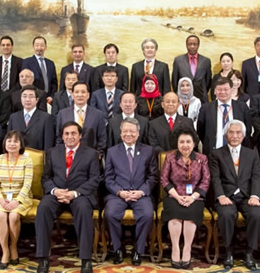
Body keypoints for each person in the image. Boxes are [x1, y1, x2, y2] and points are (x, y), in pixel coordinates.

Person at [36, 121, 100, 273]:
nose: (70, 137)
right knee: (43, 208)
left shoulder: (91, 153)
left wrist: (74, 193)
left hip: (79, 194)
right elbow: (46, 178)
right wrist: (55, 191)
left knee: (84, 210)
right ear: (62, 136)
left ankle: (85, 260)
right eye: (66, 134)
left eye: (73, 133)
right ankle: (43, 259)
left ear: (80, 136)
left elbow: (95, 179)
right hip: (57, 193)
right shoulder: (53, 152)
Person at [104, 117, 158, 266]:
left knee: (147, 214)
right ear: (120, 133)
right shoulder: (112, 151)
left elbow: (153, 177)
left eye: (132, 131)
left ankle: (138, 250)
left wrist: (141, 192)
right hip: (118, 195)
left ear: (138, 133)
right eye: (125, 131)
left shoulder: (148, 150)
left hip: (140, 194)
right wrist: (119, 192)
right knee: (110, 214)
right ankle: (118, 249)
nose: (128, 134)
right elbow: (108, 178)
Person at [210, 120, 260, 270]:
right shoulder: (217, 154)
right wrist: (220, 196)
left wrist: (255, 196)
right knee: (226, 215)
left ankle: (249, 252)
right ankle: (229, 251)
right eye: (231, 132)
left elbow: (257, 176)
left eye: (238, 133)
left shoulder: (252, 154)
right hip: (227, 196)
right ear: (226, 135)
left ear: (244, 135)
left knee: (256, 215)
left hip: (247, 196)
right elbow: (215, 178)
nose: (234, 136)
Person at [160, 127, 209, 269]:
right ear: (177, 143)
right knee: (175, 216)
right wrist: (176, 196)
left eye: (188, 142)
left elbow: (205, 181)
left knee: (189, 216)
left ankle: (187, 249)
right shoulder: (170, 158)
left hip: (195, 197)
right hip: (174, 196)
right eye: (182, 142)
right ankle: (175, 249)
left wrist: (193, 197)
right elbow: (164, 180)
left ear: (194, 143)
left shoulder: (202, 159)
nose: (185, 145)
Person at [0, 131, 33, 269]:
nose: (12, 144)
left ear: (21, 144)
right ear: (5, 143)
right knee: (1, 215)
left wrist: (17, 201)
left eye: (16, 141)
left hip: (22, 197)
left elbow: (28, 183)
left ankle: (13, 246)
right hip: (2, 197)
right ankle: (5, 251)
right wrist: (0, 199)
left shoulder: (26, 160)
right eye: (9, 141)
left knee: (14, 216)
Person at [197, 76, 252, 155]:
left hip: (237, 152)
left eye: (226, 89)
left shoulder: (242, 107)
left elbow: (247, 130)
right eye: (219, 89)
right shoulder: (206, 108)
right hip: (213, 153)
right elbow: (201, 131)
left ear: (231, 90)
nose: (223, 92)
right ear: (215, 91)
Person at [56, 82, 107, 154]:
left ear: (88, 95)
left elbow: (102, 138)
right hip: (68, 157)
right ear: (72, 95)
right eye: (77, 92)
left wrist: (97, 155)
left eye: (83, 92)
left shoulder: (98, 114)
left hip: (90, 157)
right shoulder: (62, 114)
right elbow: (59, 137)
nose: (80, 95)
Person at [7, 86, 55, 150]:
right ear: (20, 98)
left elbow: (48, 145)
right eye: (24, 96)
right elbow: (9, 140)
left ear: (37, 100)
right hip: (17, 157)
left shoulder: (46, 118)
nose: (27, 99)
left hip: (37, 157)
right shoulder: (13, 117)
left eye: (31, 96)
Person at [172, 35, 212, 102]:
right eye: (190, 44)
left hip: (201, 98)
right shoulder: (178, 61)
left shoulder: (206, 61)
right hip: (183, 99)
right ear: (186, 45)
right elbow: (175, 82)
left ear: (198, 45)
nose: (192, 46)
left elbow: (208, 81)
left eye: (194, 44)